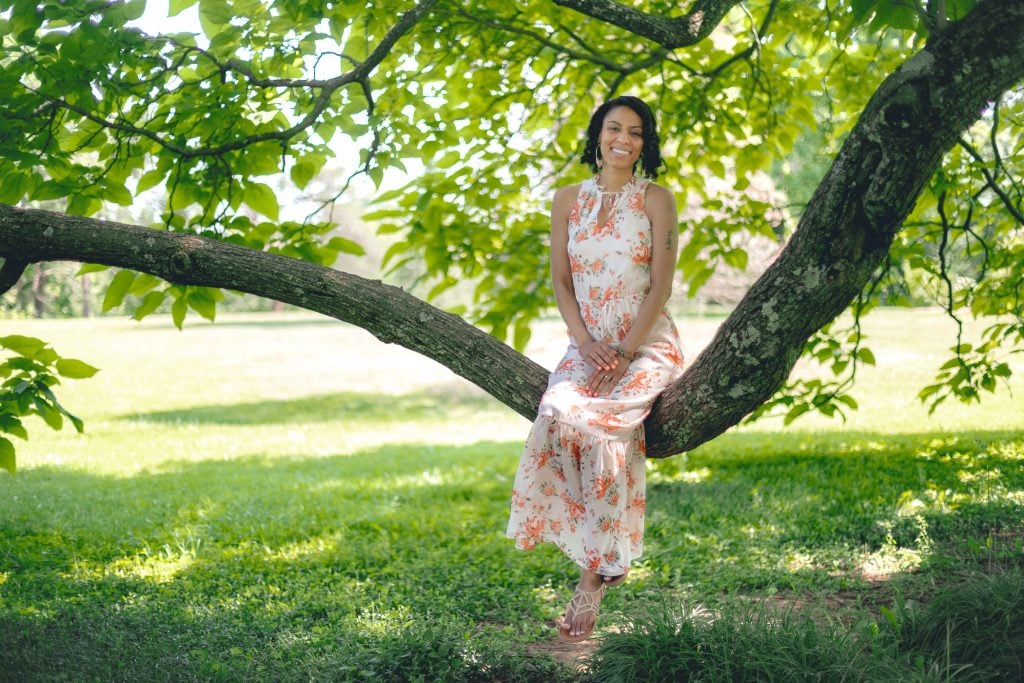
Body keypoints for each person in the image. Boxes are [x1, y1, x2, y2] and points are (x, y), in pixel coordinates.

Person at [506, 95, 685, 641]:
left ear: (645, 143)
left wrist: (626, 351)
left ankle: (592, 577)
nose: (623, 140)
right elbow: (561, 280)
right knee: (558, 413)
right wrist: (584, 344)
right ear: (597, 135)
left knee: (600, 427)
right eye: (614, 129)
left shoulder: (657, 200)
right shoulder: (565, 200)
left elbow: (661, 285)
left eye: (635, 132)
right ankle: (604, 550)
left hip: (647, 344)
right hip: (584, 347)